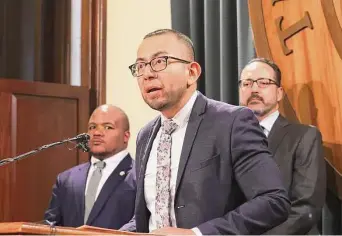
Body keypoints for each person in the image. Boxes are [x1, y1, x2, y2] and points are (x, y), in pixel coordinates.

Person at [120, 29, 290, 235]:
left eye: (159, 61)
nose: (147, 74)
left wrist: (197, 234)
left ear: (192, 73)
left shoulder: (233, 122)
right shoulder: (145, 135)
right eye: (140, 66)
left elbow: (273, 201)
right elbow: (151, 216)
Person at [239, 58, 326, 234]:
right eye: (247, 83)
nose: (254, 89)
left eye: (263, 83)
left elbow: (305, 208)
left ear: (279, 93)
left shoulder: (304, 137)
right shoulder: (226, 136)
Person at [44, 104, 136, 229]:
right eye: (92, 127)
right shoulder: (66, 179)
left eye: (108, 127)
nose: (97, 133)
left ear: (126, 136)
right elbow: (50, 225)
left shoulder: (141, 175)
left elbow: (143, 222)